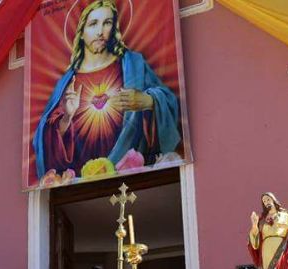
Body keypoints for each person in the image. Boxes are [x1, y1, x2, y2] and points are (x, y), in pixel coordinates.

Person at [32, 0, 182, 179]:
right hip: (80, 183)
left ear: (114, 28)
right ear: (81, 32)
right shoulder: (67, 83)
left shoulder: (133, 64)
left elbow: (169, 101)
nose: (100, 31)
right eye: (93, 24)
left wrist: (148, 100)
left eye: (107, 23)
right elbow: (44, 139)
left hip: (132, 172)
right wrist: (66, 118)